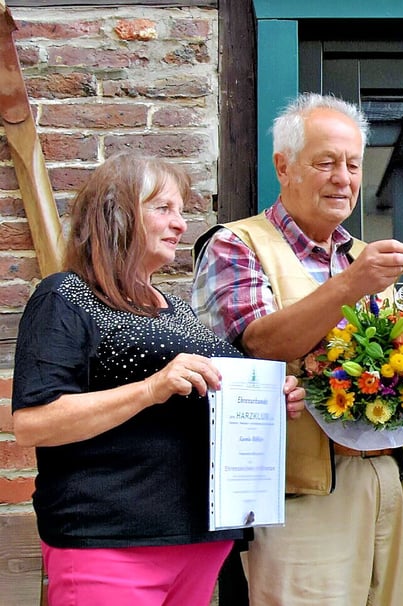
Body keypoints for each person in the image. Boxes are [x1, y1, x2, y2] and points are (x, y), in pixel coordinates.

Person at [11, 153, 306, 606]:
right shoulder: (65, 296)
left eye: (181, 211)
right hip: (110, 542)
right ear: (115, 214)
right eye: (163, 209)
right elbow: (36, 423)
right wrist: (151, 388)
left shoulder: (180, 311)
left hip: (197, 541)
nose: (180, 225)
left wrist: (267, 401)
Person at [192, 93, 403, 606]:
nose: (343, 178)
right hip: (301, 495)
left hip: (396, 480)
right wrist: (349, 288)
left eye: (352, 164)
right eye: (325, 162)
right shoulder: (238, 243)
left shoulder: (367, 257)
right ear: (284, 166)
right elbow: (257, 344)